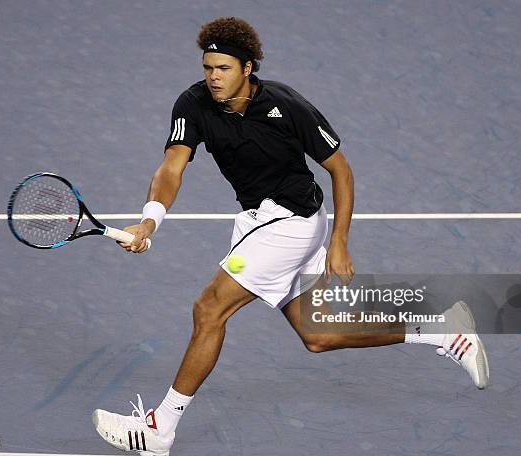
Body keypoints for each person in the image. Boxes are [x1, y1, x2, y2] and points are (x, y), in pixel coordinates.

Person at [92, 17, 489, 456]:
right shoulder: (193, 103)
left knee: (209, 309)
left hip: (293, 223)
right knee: (319, 336)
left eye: (223, 68)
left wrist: (340, 240)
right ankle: (443, 331)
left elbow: (341, 170)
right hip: (258, 222)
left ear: (247, 68)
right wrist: (150, 221)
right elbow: (172, 166)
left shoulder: (288, 105)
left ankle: (159, 428)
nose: (213, 77)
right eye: (208, 68)